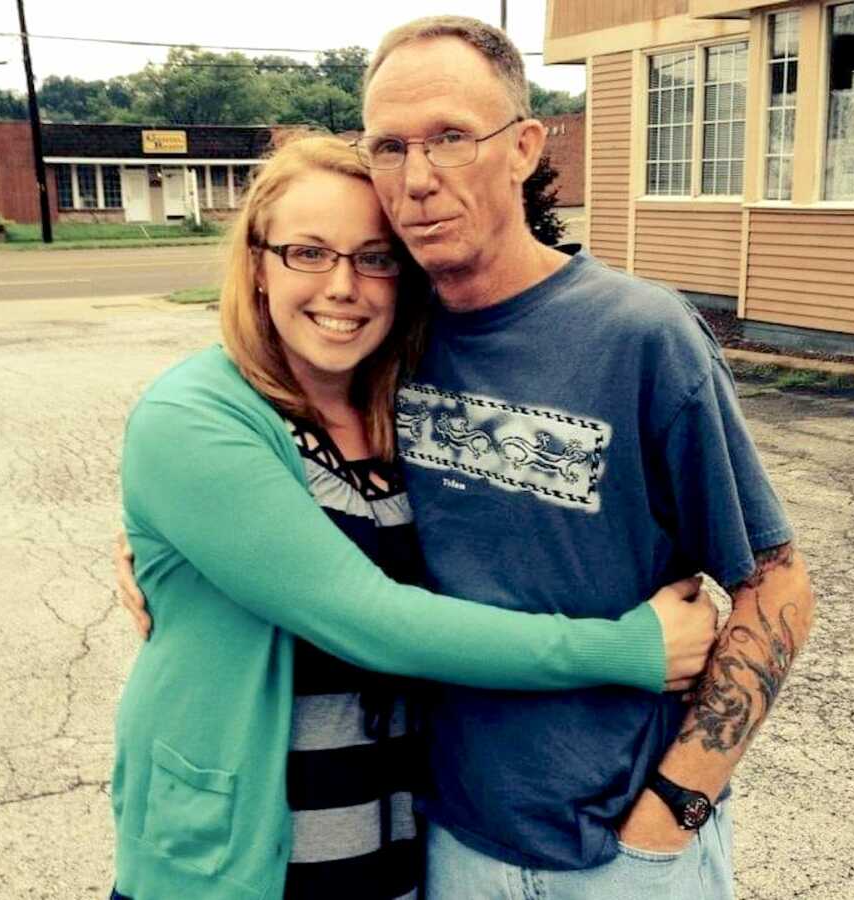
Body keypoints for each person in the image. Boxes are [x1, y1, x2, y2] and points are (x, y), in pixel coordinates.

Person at [109, 133, 719, 900]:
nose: (343, 286)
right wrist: (627, 650)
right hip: (241, 858)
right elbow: (370, 618)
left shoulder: (404, 405)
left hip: (391, 837)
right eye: (307, 252)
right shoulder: (194, 416)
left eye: (373, 257)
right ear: (258, 265)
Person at [353, 15, 815, 900]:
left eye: (452, 138)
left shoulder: (640, 335)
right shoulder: (377, 335)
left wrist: (674, 810)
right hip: (445, 837)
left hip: (622, 856)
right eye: (388, 147)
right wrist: (163, 552)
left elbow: (776, 583)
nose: (417, 181)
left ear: (523, 146)